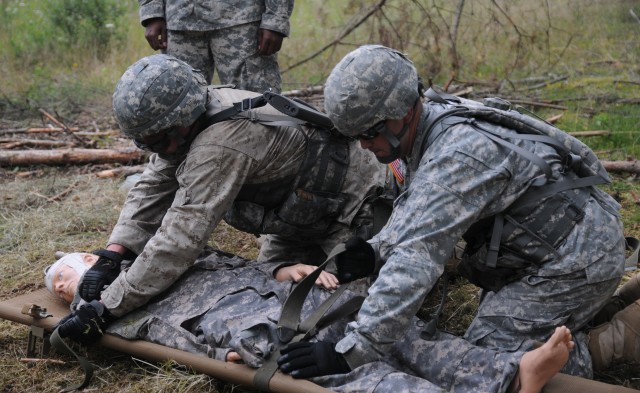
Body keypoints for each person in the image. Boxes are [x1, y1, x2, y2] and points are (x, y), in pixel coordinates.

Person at [275, 44, 635, 380]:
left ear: (402, 111)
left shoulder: (456, 157)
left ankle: (619, 338)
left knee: (491, 365)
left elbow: (416, 259)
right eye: (356, 136)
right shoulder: (426, 126)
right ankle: (608, 307)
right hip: (542, 247)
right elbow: (415, 213)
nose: (365, 146)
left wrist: (351, 353)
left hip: (574, 260)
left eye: (369, 133)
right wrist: (375, 250)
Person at [53, 53, 393, 344]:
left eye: (159, 141)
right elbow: (154, 182)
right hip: (296, 213)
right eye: (148, 144)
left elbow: (178, 240)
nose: (158, 151)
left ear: (182, 121)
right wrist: (114, 254)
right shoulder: (185, 116)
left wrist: (108, 307)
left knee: (345, 313)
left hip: (352, 205)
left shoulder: (220, 144)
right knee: (271, 285)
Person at [46, 249, 576, 393]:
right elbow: (163, 335)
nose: (63, 289)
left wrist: (279, 267)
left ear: (92, 260)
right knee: (347, 372)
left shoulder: (164, 254)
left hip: (291, 296)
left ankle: (509, 373)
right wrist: (216, 357)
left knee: (399, 334)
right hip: (253, 330)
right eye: (58, 290)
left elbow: (229, 259)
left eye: (64, 276)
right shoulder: (112, 312)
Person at [139, 0, 293, 92]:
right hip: (180, 22)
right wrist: (152, 11)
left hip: (242, 21)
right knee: (179, 114)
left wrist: (276, 18)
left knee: (256, 108)